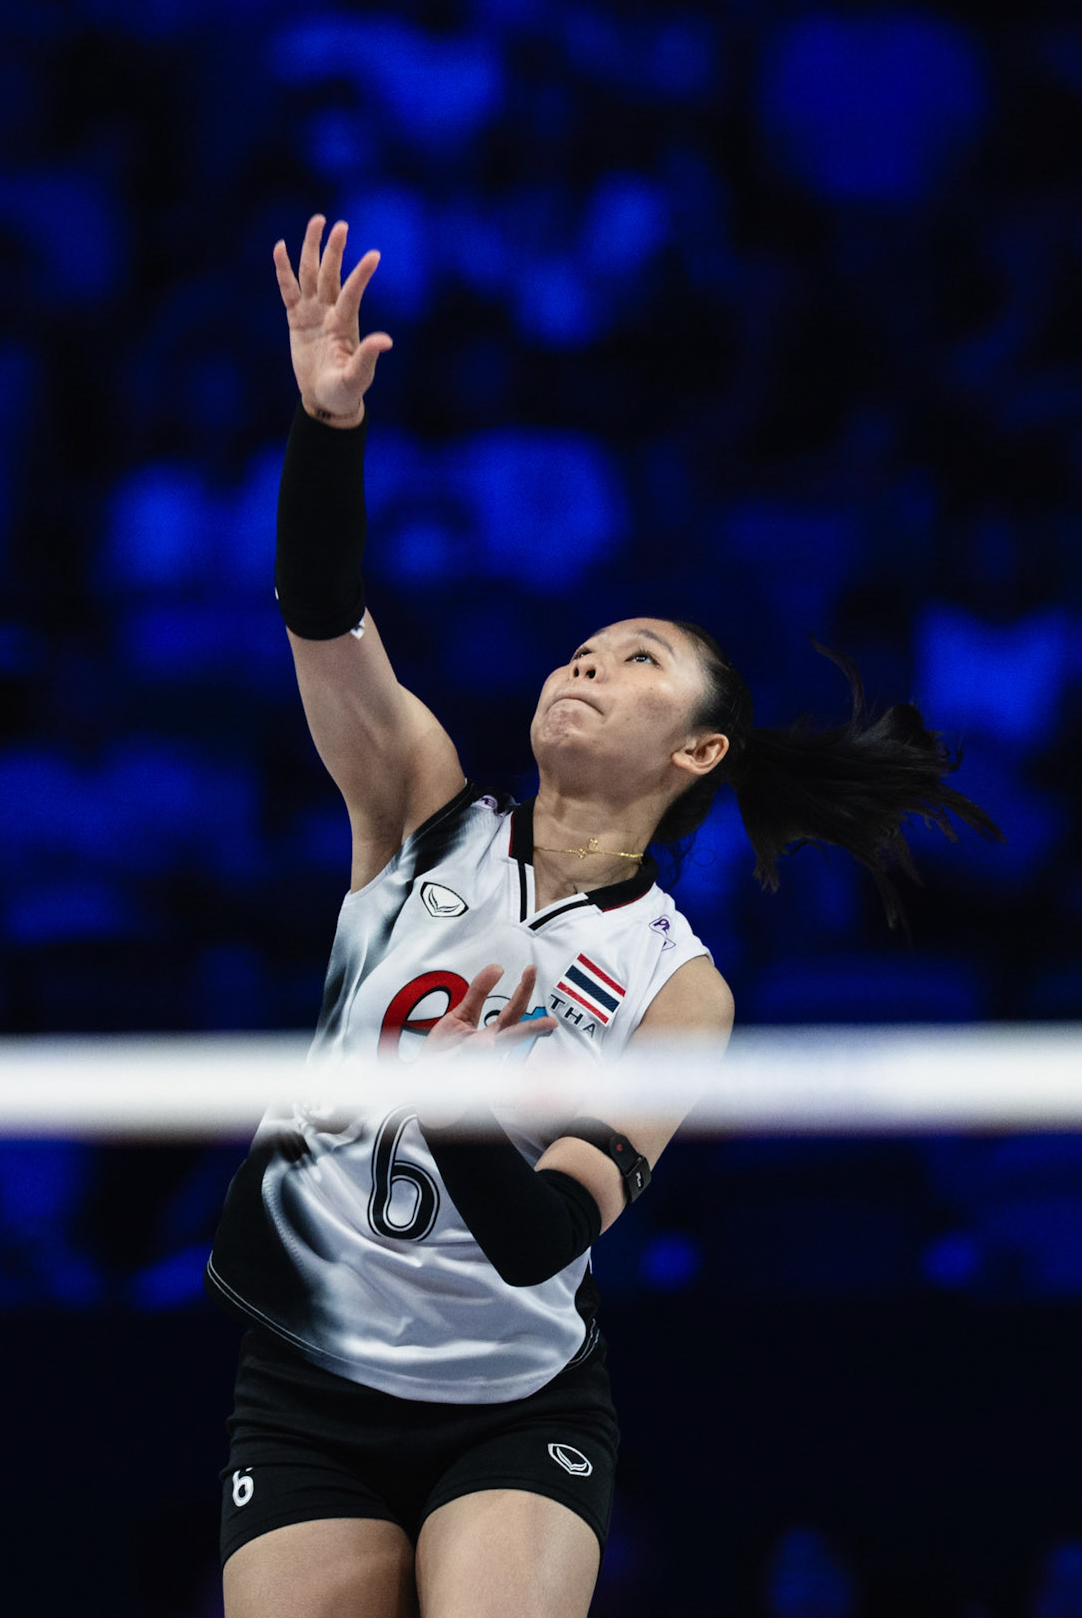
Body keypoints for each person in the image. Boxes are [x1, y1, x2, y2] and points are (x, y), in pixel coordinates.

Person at [205, 217, 1000, 1618]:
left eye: (635, 662)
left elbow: (540, 1239)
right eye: (581, 648)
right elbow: (322, 613)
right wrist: (326, 425)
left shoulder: (676, 990)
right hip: (308, 1371)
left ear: (695, 754)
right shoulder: (418, 813)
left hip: (508, 1400)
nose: (586, 662)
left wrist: (453, 1104)